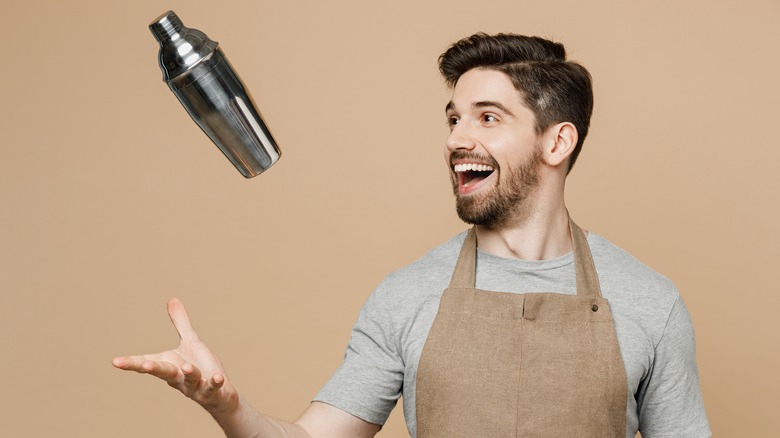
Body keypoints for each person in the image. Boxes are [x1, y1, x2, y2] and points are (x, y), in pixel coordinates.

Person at [113, 33, 711, 437]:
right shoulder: (407, 296)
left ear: (557, 142)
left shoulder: (649, 303)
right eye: (453, 118)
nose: (456, 138)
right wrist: (227, 405)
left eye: (487, 117)